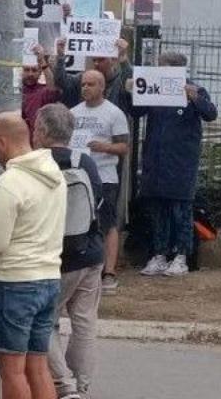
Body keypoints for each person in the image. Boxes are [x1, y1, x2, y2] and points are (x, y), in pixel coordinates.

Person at [0, 113, 65, 399]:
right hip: (49, 277)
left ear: (2, 142)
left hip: (14, 282)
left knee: (12, 371)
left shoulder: (7, 183)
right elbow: (31, 218)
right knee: (38, 366)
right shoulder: (54, 175)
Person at [32, 104, 105, 399]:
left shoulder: (36, 164)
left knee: (44, 320)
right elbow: (99, 201)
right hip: (91, 251)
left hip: (57, 257)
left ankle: (64, 384)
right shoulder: (84, 161)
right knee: (84, 321)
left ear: (42, 131)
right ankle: (82, 384)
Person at [128, 52, 219, 277]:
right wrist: (131, 91)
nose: (158, 69)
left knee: (181, 210)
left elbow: (211, 114)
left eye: (162, 66)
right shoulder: (155, 89)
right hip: (155, 161)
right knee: (157, 208)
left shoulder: (195, 89)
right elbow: (136, 111)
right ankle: (159, 254)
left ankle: (181, 256)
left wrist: (195, 98)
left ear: (175, 69)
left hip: (181, 163)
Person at [71, 70, 129, 292]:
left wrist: (104, 147)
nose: (85, 88)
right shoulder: (73, 113)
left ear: (102, 87)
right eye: (83, 84)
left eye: (91, 84)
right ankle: (82, 269)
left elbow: (124, 147)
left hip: (104, 176)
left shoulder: (114, 113)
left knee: (107, 223)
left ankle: (109, 272)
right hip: (78, 176)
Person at [51, 37, 132, 110]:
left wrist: (124, 60)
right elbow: (61, 81)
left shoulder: (120, 80)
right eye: (94, 60)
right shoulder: (85, 78)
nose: (96, 63)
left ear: (113, 60)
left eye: (101, 60)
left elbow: (130, 82)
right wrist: (61, 56)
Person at [23, 46, 60, 134]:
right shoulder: (13, 92)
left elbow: (52, 89)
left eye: (34, 70)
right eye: (26, 70)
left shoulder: (42, 91)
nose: (30, 74)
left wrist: (42, 61)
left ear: (40, 73)